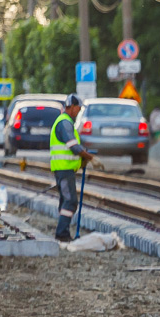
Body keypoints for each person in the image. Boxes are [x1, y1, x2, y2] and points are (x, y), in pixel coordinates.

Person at [49, 94, 99, 242]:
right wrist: (89, 157)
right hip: (64, 169)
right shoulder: (65, 123)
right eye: (78, 108)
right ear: (71, 107)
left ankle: (62, 232)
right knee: (70, 201)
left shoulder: (65, 121)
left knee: (65, 200)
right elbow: (73, 146)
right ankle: (62, 233)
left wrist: (82, 160)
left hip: (64, 169)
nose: (78, 111)